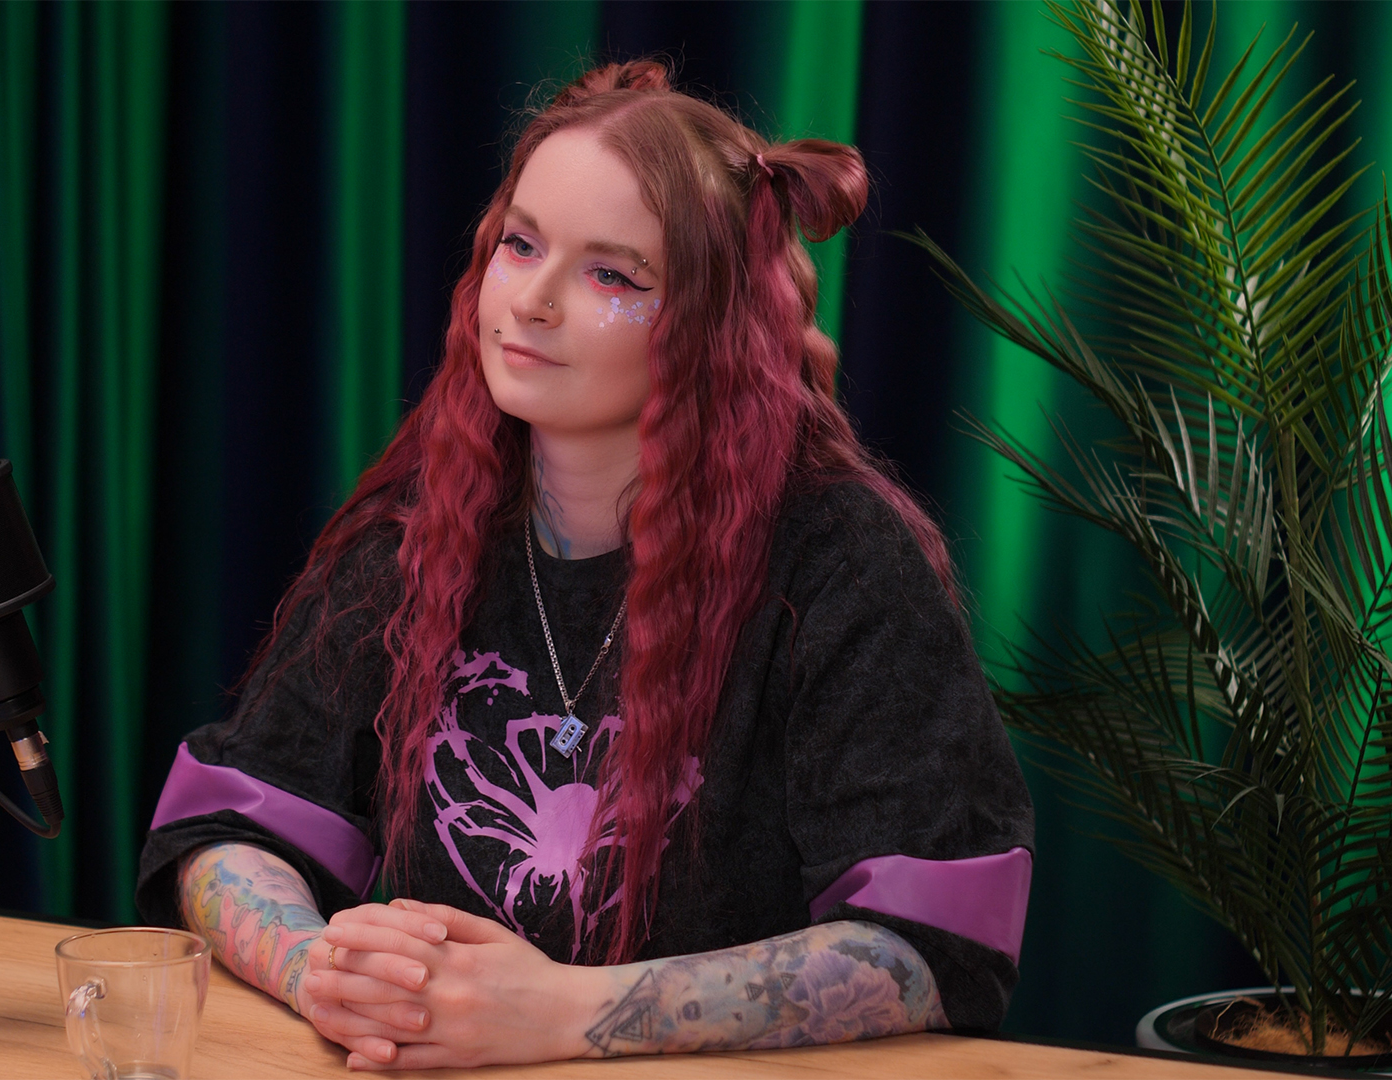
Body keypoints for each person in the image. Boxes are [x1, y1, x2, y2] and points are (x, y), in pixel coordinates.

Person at [136, 60, 1033, 1071]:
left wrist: (566, 1014)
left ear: (716, 323)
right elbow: (228, 825)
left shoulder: (843, 560)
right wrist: (319, 968)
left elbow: (933, 947)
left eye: (613, 276)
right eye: (520, 245)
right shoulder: (420, 529)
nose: (533, 300)